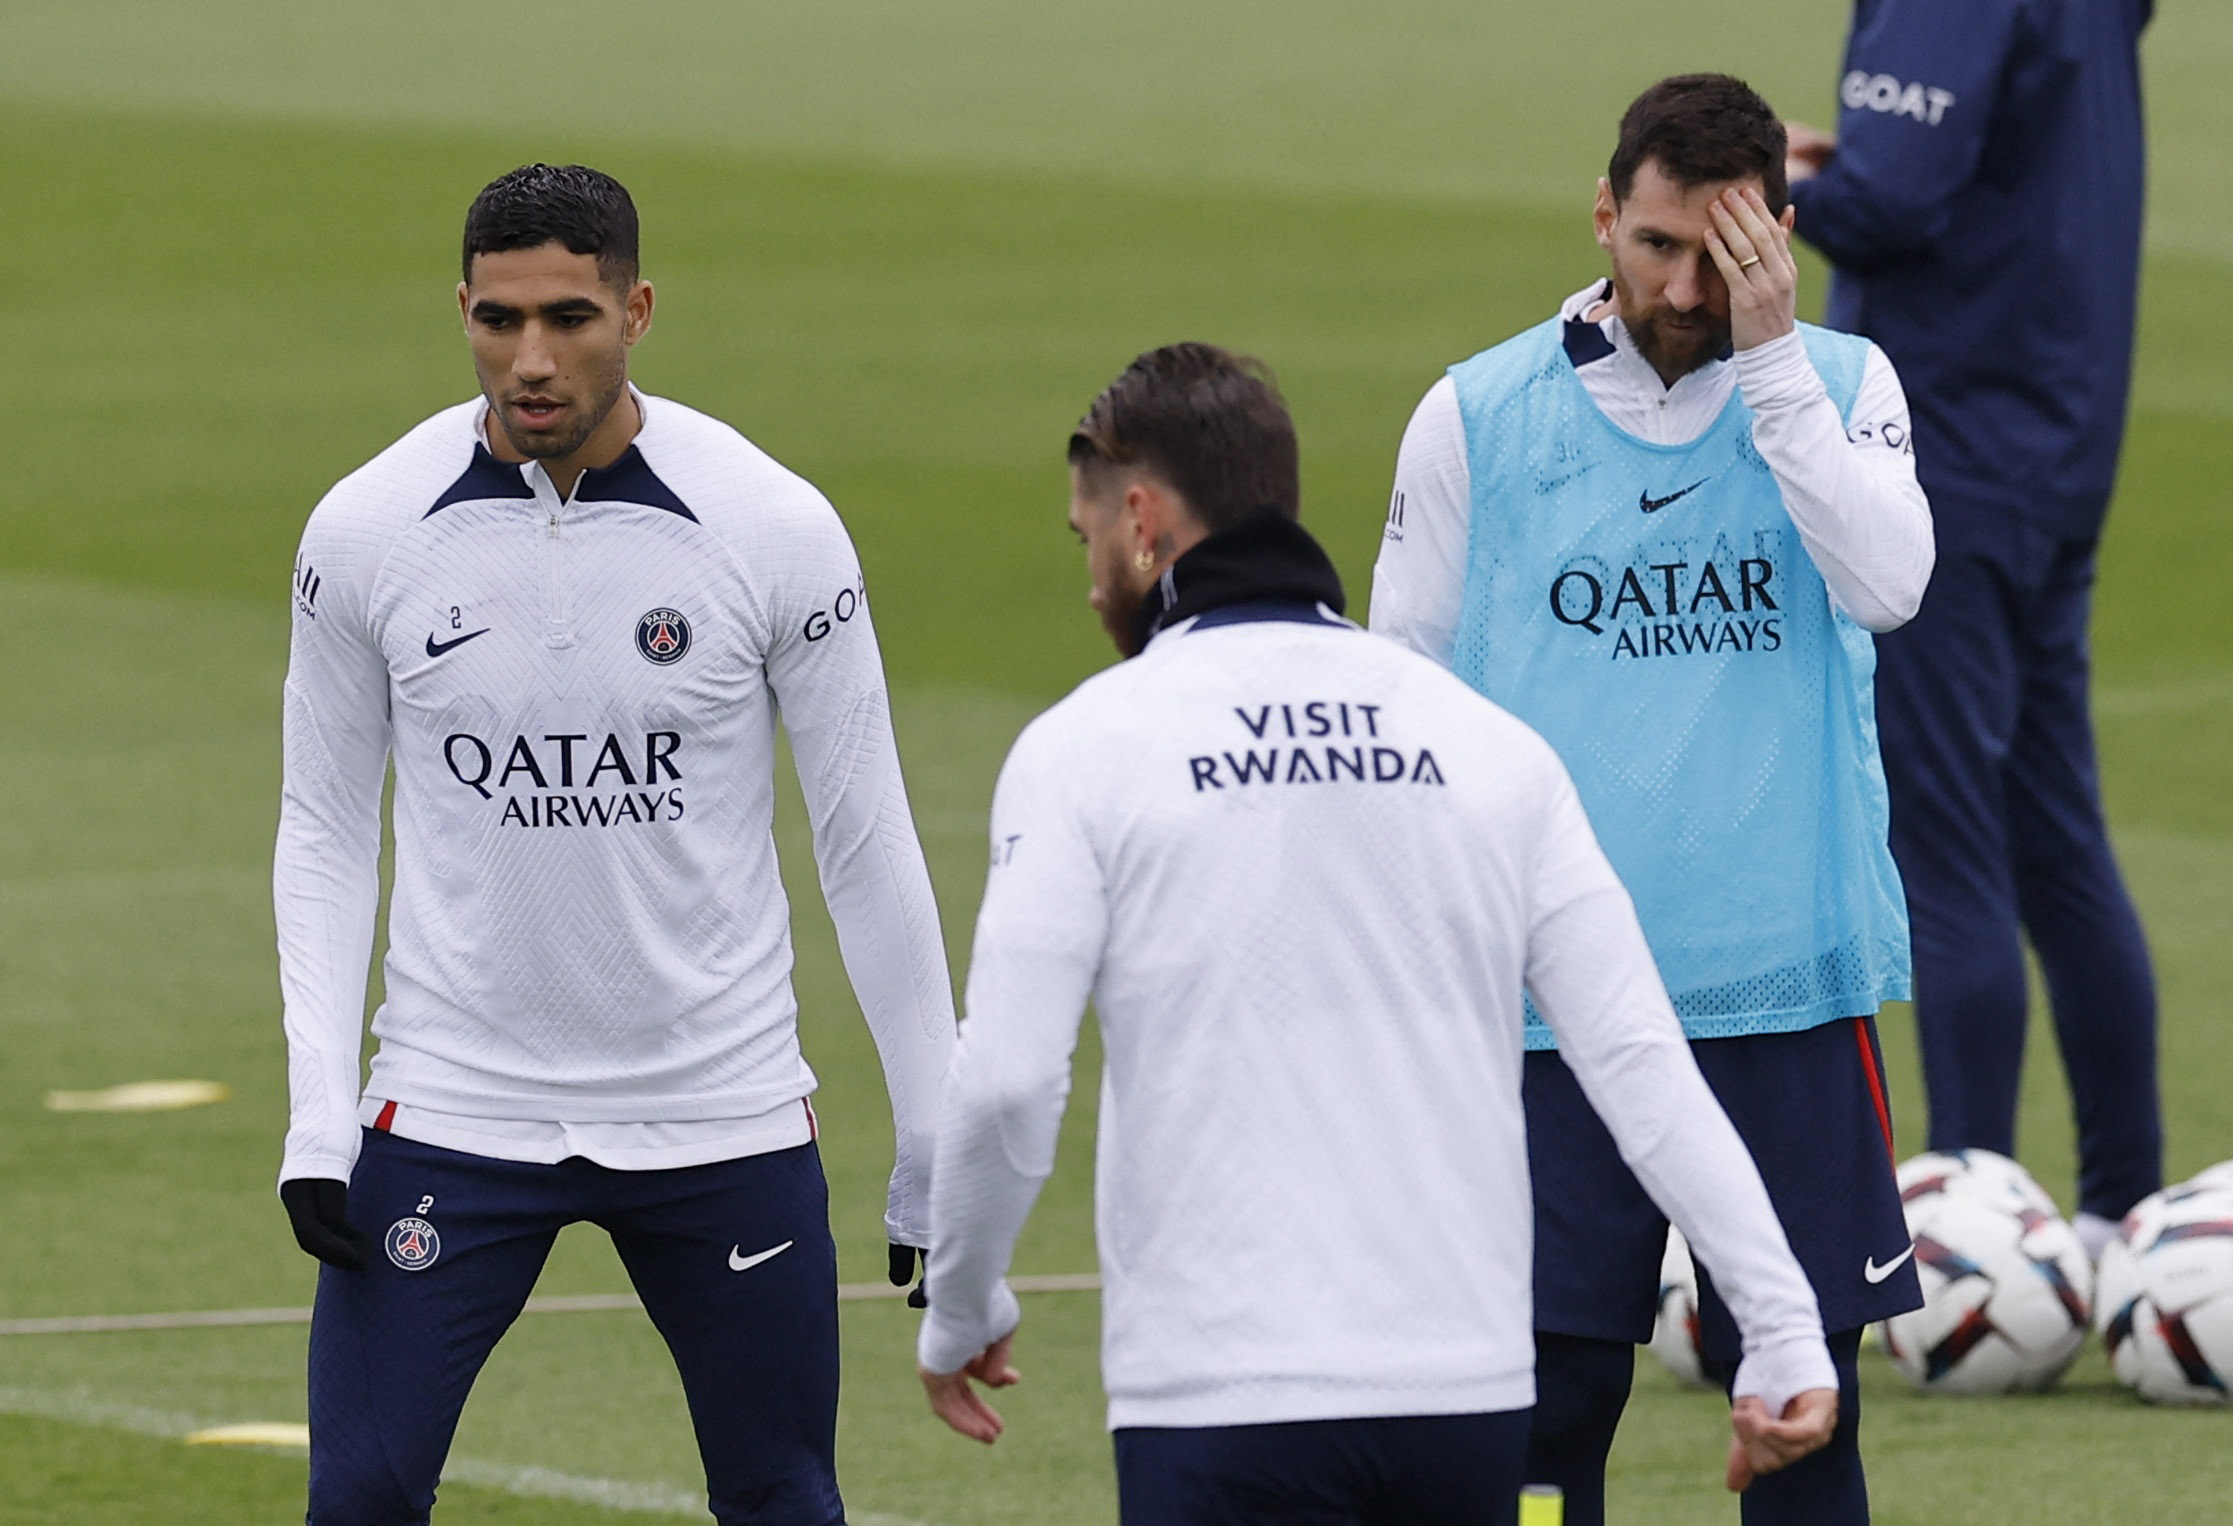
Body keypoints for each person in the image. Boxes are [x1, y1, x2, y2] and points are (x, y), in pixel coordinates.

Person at [916, 342, 1840, 1525]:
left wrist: (961, 1304)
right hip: (1465, 1401)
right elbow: (1641, 1064)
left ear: (1140, 520)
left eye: (1087, 537)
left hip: (1218, 1399)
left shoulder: (1086, 745)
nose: (1093, 578)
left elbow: (1001, 1085)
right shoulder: (1487, 745)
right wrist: (1780, 1329)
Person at [273, 163, 955, 1525]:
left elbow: (866, 836)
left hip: (722, 1109)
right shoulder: (363, 530)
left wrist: (938, 1134)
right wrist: (313, 1114)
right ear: (461, 310)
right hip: (454, 1103)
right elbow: (327, 827)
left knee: (780, 1496)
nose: (532, 358)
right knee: (357, 1498)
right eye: (500, 319)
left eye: (572, 318)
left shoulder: (771, 527)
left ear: (638, 309)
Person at [1371, 75, 1932, 1524]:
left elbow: (1886, 587)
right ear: (1605, 213)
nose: (1682, 287)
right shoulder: (1474, 417)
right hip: (1547, 1005)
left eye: (1722, 254)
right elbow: (1400, 709)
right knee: (1546, 1415)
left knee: (1809, 1404)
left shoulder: (1846, 391)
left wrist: (1770, 363)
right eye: (1658, 244)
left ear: (1779, 237)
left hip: (1784, 998)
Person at [1784, 0, 2162, 1255]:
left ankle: (1969, 1245)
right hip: (2059, 439)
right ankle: (2122, 1214)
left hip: (1947, 453)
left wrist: (1764, 182)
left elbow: (1890, 200)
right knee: (2055, 841)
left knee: (1945, 849)